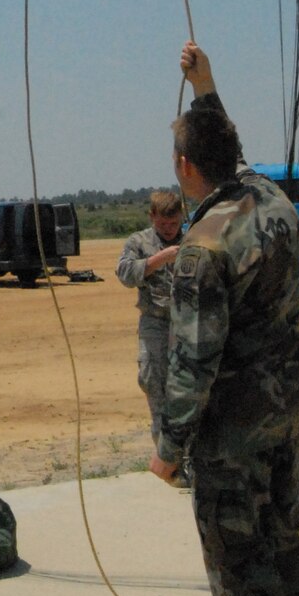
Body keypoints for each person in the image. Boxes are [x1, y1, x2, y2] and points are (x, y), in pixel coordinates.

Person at [150, 42, 299, 596]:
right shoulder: (273, 200)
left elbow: (192, 361)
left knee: (237, 556)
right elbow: (231, 151)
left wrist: (167, 447)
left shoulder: (205, 245)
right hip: (291, 411)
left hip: (235, 429)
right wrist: (206, 87)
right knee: (287, 537)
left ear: (185, 170)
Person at [115, 190, 185, 467]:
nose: (169, 230)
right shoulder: (140, 241)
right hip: (155, 321)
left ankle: (191, 455)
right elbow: (124, 273)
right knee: (152, 379)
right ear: (152, 217)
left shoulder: (192, 239)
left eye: (174, 223)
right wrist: (159, 259)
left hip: (187, 324)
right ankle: (168, 457)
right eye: (163, 225)